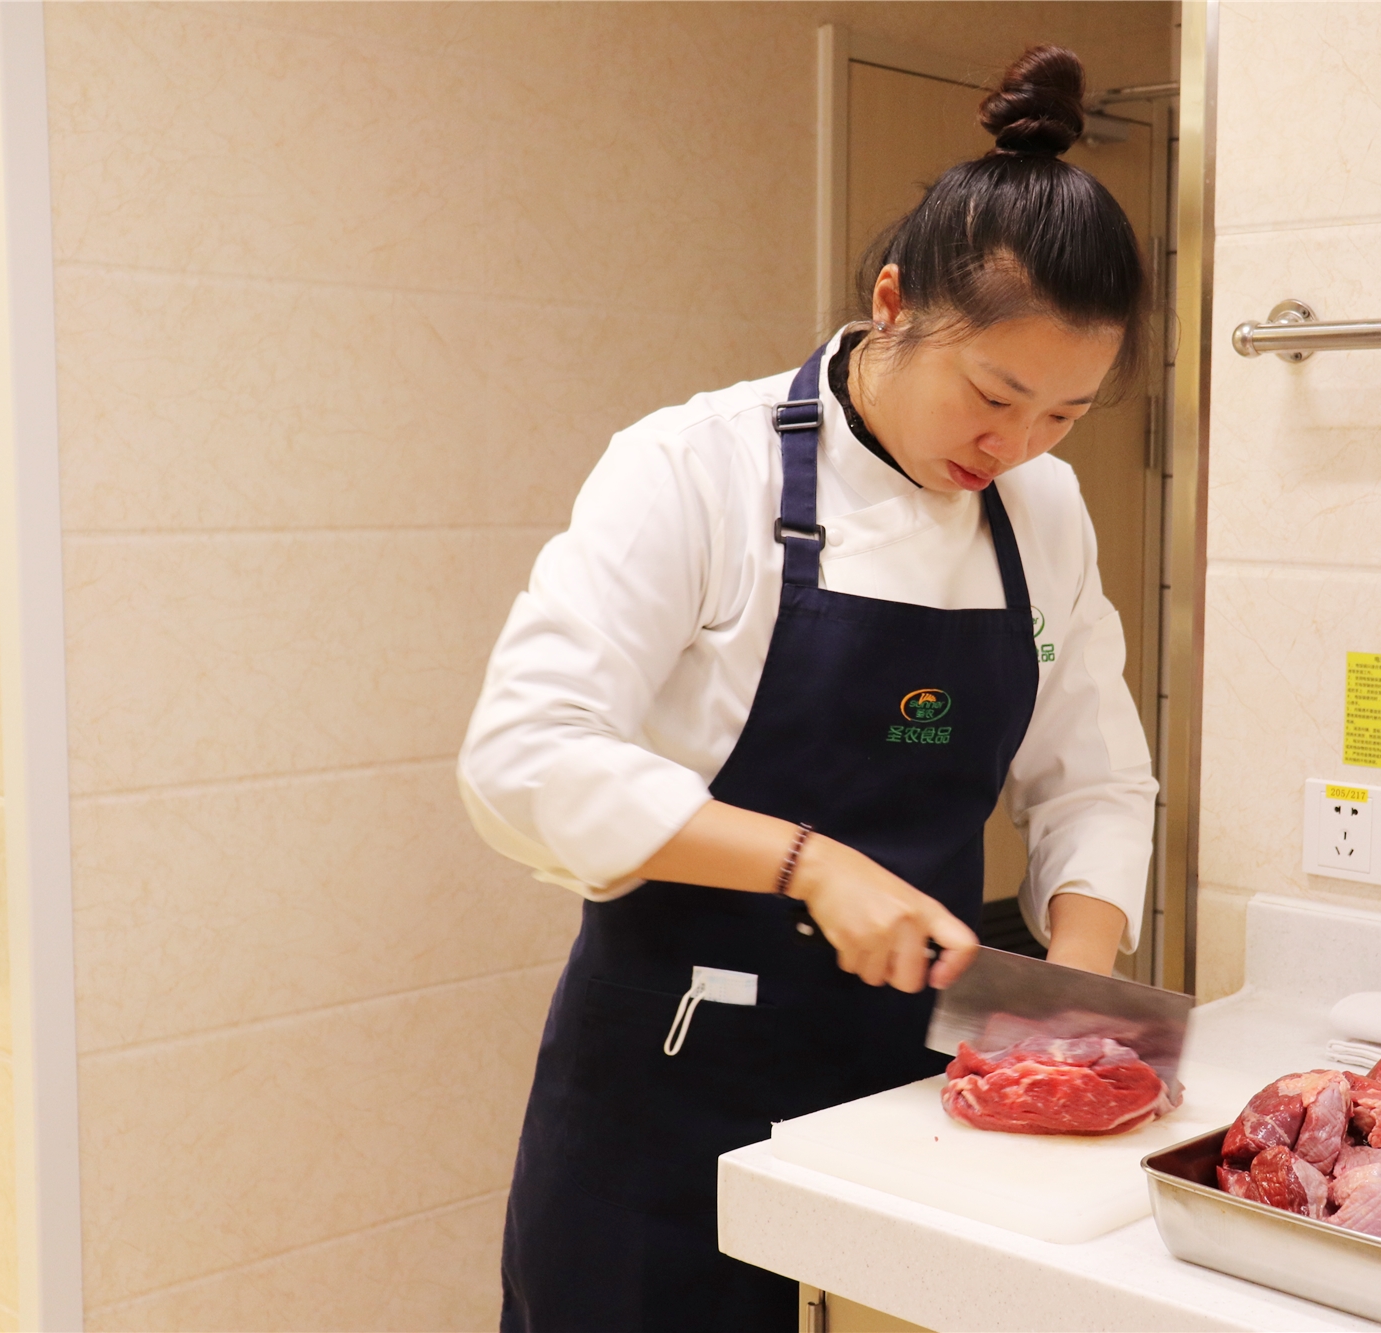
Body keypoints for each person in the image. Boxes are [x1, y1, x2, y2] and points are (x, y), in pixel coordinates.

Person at [459, 44, 1157, 1332]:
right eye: (993, 395)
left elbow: (1095, 777)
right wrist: (810, 866)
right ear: (893, 304)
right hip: (673, 1090)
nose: (1013, 446)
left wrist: (1073, 1000)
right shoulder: (693, 469)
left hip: (919, 1099)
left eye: (1064, 415)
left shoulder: (1041, 509)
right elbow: (524, 756)